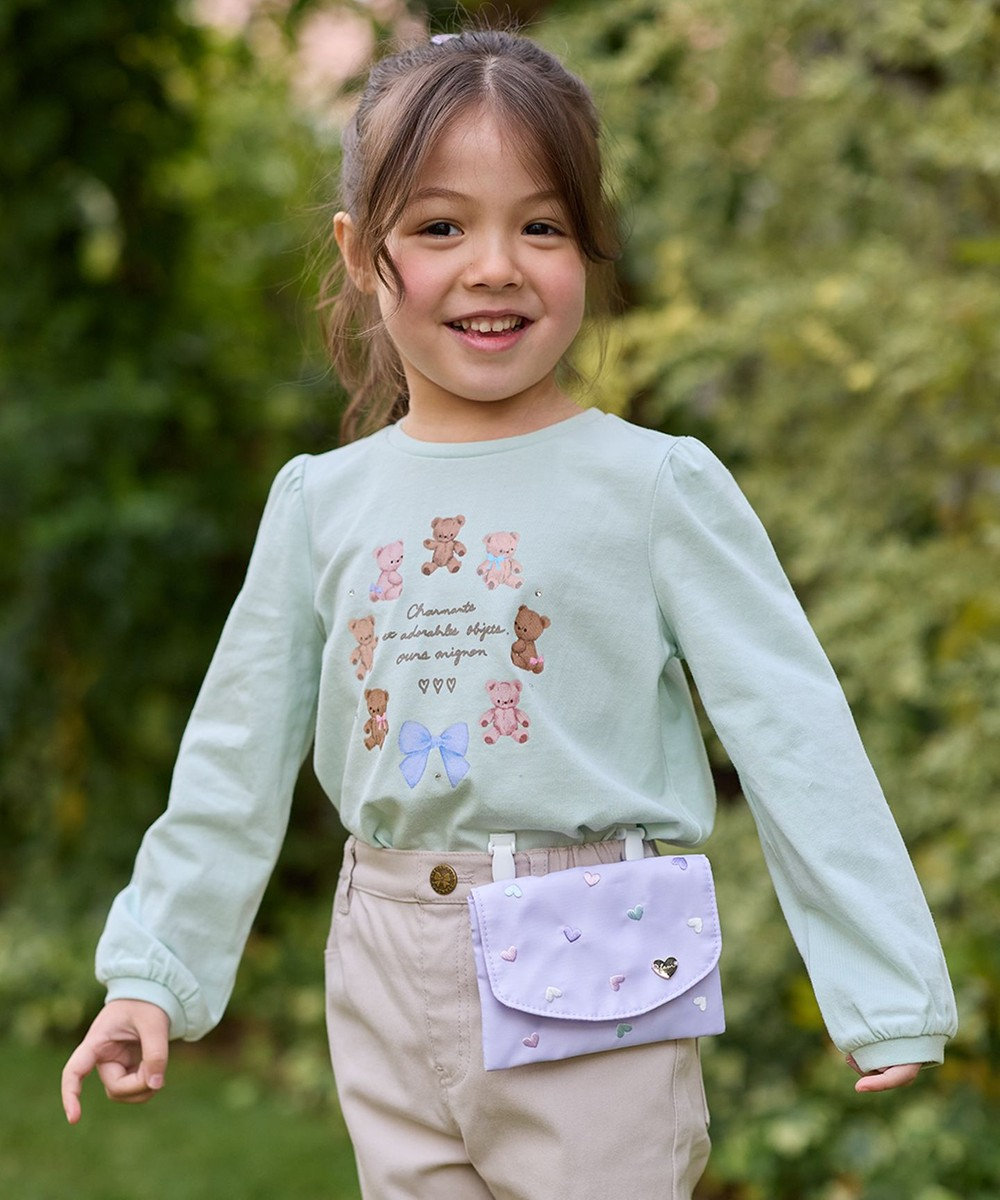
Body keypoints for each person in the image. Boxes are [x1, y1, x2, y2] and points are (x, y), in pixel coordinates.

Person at [61, 28, 957, 1200]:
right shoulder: (321, 502)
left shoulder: (653, 487)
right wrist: (154, 971)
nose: (494, 267)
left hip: (596, 968)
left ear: (590, 244)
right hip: (381, 977)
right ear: (361, 252)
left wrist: (883, 987)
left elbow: (793, 733)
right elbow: (232, 758)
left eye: (540, 227)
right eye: (440, 228)